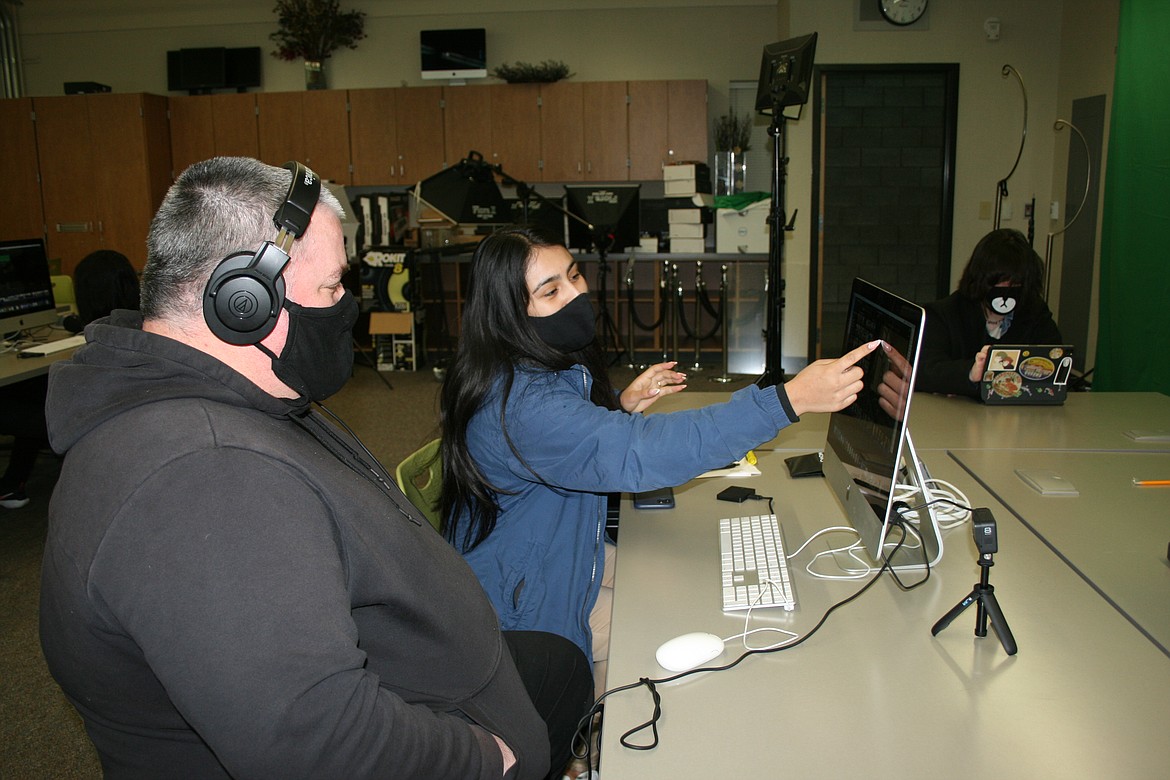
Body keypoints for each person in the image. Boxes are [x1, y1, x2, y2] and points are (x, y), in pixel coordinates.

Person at [39, 157, 592, 780]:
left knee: (557, 663)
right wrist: (485, 757)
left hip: (405, 669)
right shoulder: (206, 478)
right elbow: (315, 742)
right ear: (243, 301)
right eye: (332, 287)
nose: (345, 307)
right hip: (425, 736)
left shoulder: (224, 397)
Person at [439, 226, 880, 690]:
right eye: (551, 291)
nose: (574, 295)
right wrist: (788, 400)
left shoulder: (521, 367)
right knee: (654, 633)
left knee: (673, 579)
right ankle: (586, 750)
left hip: (541, 549)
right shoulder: (522, 403)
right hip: (522, 601)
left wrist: (616, 408)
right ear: (510, 312)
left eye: (574, 276)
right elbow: (638, 452)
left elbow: (564, 439)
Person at [0, 249, 140, 509]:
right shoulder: (136, 324)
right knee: (34, 390)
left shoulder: (98, 342)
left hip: (83, 420)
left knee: (19, 398)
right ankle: (12, 482)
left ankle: (12, 482)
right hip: (113, 421)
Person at [917, 228, 1062, 399]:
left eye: (1015, 284)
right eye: (999, 282)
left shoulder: (1035, 314)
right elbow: (926, 370)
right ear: (980, 279)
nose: (1007, 291)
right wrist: (971, 372)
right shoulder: (943, 315)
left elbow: (1054, 363)